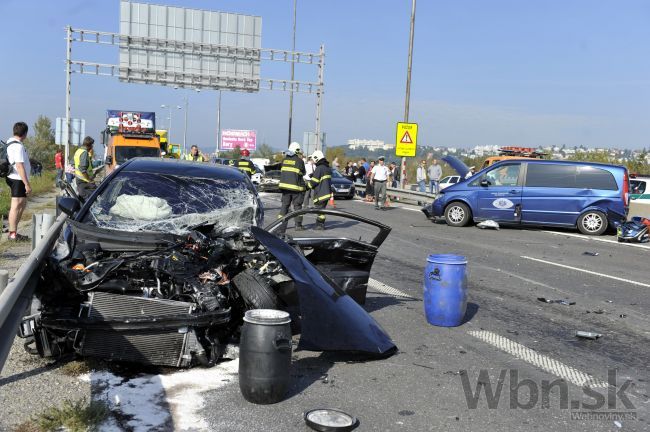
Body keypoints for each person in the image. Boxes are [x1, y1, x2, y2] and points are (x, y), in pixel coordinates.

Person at [5, 122, 31, 241]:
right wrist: (26, 184)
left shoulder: (10, 142)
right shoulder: (18, 146)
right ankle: (12, 234)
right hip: (17, 178)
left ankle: (14, 232)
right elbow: (19, 166)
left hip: (14, 177)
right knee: (16, 205)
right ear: (25, 133)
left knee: (22, 203)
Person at [278, 142, 306, 232]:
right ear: (297, 150)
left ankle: (281, 226)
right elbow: (303, 173)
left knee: (284, 206)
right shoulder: (299, 161)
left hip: (284, 188)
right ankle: (298, 225)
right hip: (296, 189)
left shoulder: (284, 160)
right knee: (297, 206)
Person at [307, 150, 332, 230]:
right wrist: (314, 175)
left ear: (316, 158)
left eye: (313, 159)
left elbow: (314, 182)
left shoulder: (319, 168)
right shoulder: (327, 167)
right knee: (322, 210)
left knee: (319, 210)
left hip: (321, 193)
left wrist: (307, 186)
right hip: (326, 193)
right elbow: (321, 178)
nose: (313, 162)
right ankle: (320, 224)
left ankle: (319, 225)